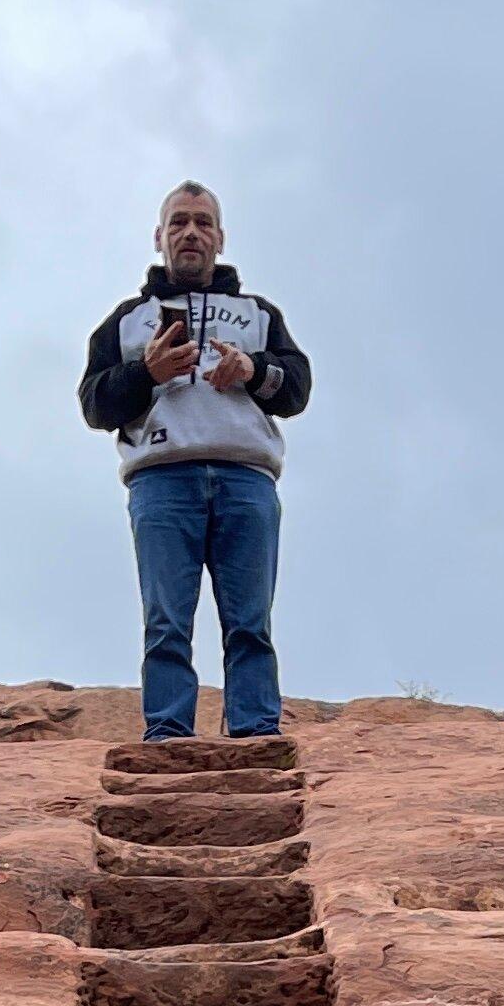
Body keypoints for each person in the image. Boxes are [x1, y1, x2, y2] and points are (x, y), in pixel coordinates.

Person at [79, 184, 312, 742]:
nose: (191, 233)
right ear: (159, 237)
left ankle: (257, 731)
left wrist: (254, 372)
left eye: (203, 223)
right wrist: (145, 373)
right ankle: (168, 734)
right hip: (161, 478)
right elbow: (94, 404)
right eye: (179, 222)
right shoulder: (128, 321)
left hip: (245, 478)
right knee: (166, 622)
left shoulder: (259, 315)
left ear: (220, 238)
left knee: (250, 621)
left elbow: (297, 389)